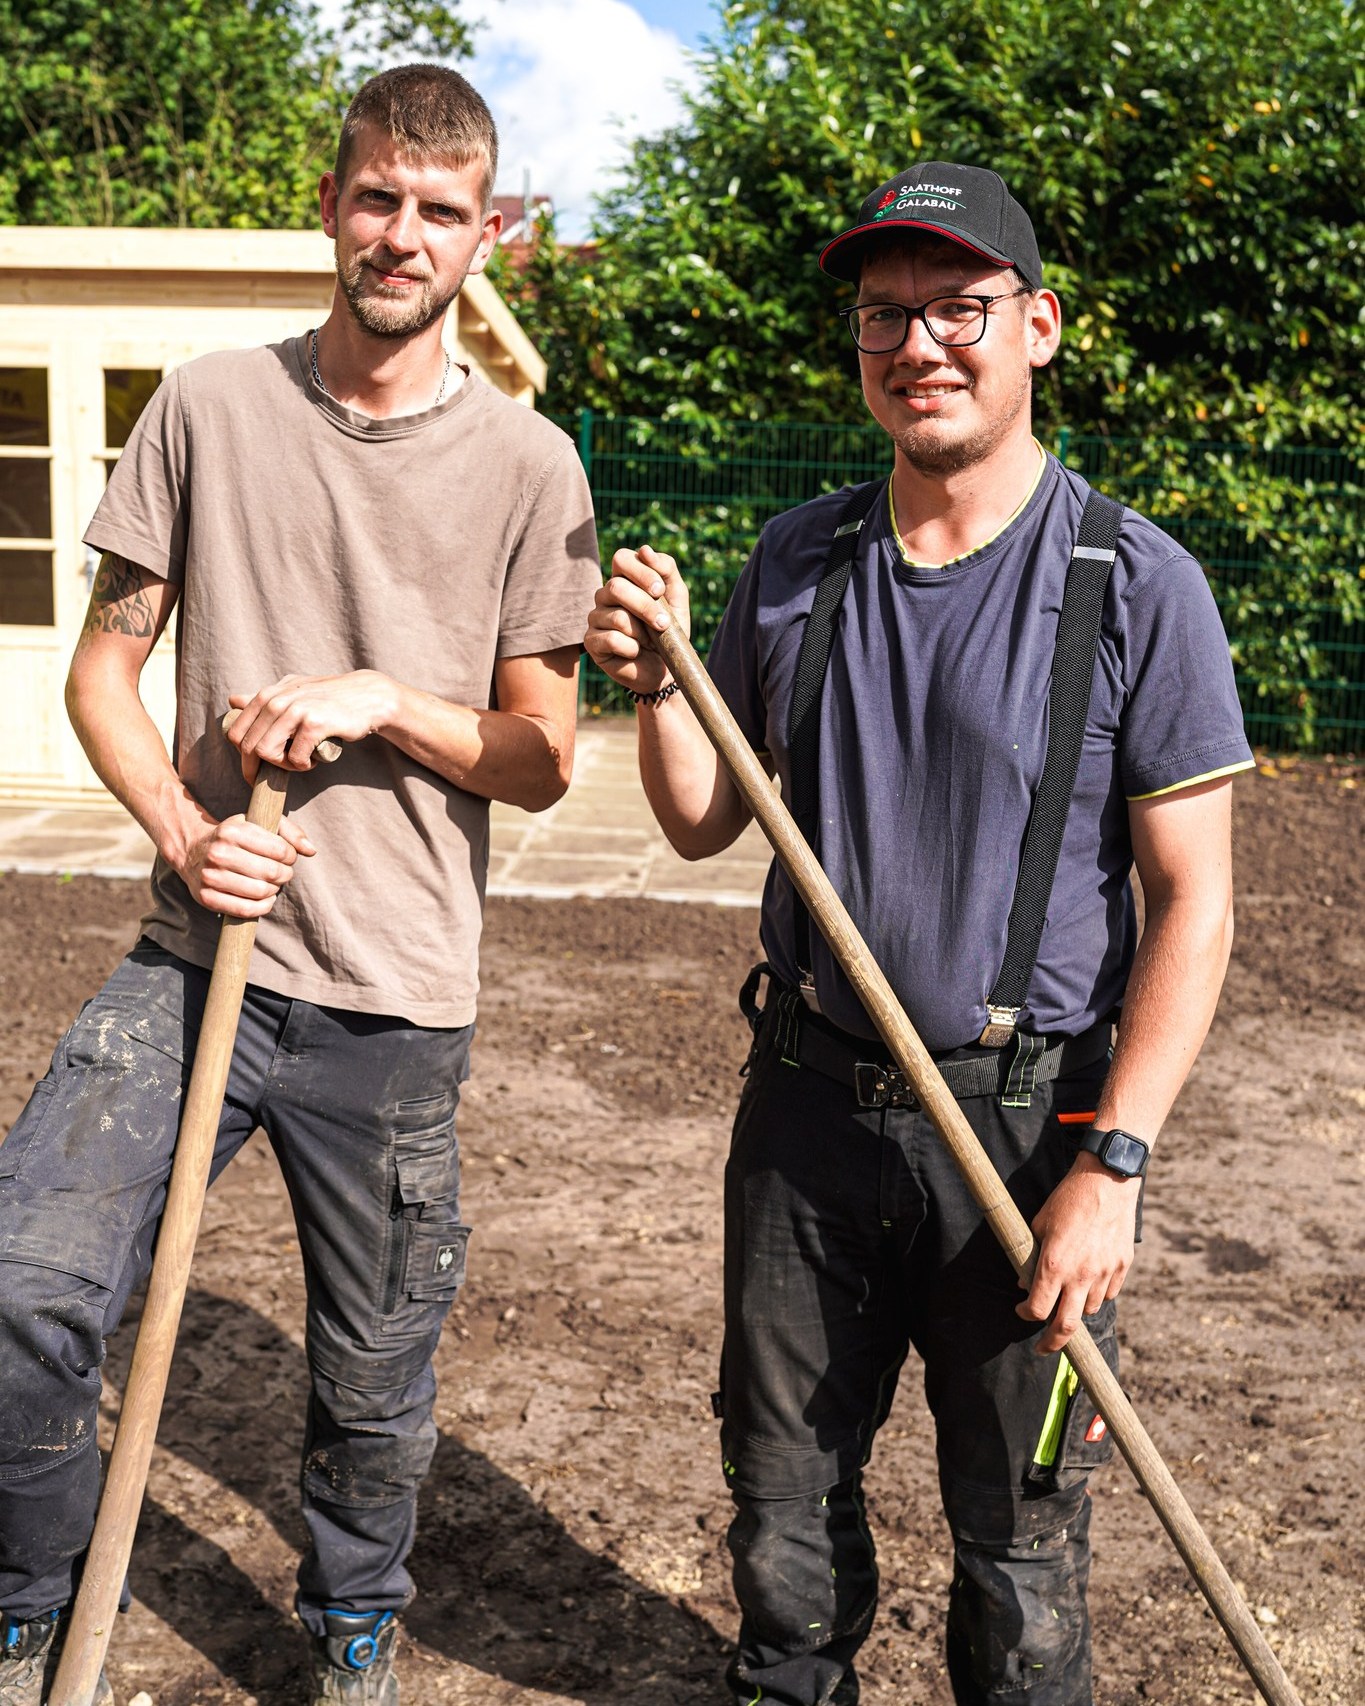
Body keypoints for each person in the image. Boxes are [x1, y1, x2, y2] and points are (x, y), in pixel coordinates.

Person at [585, 161, 1253, 1705]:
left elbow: (1196, 902)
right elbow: (700, 818)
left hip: (1025, 1135)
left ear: (1038, 328)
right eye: (886, 314)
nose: (920, 344)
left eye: (959, 308)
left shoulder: (1133, 585)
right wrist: (655, 677)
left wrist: (1117, 1167)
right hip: (807, 1115)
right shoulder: (798, 563)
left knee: (1020, 1539)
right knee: (781, 1501)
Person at [0, 64, 600, 1706]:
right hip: (195, 958)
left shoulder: (532, 467)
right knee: (23, 1289)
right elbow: (104, 674)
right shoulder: (208, 407)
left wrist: (383, 697)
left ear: (491, 235)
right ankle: (26, 1593)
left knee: (372, 1366)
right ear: (332, 203)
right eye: (376, 197)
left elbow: (541, 755)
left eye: (440, 210)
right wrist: (182, 834)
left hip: (396, 993)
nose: (401, 235)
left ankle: (350, 1622)